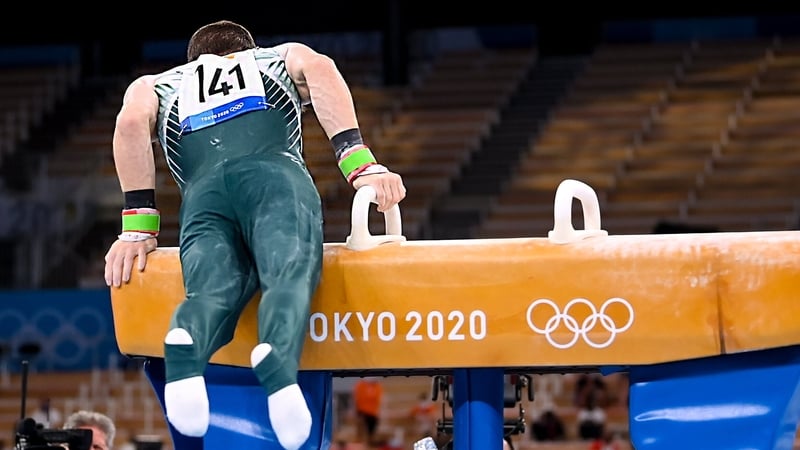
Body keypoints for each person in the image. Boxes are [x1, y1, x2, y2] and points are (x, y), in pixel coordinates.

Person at [102, 19, 406, 450]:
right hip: (273, 176)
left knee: (212, 291)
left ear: (193, 60)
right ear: (246, 48)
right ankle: (278, 362)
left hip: (202, 195)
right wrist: (360, 163)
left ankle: (188, 342)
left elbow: (130, 123)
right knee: (287, 271)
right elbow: (320, 69)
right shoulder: (277, 56)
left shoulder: (154, 84)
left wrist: (138, 228)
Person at [353, 377, 383, 445]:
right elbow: (358, 398)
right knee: (361, 426)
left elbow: (377, 399)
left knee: (372, 427)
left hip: (372, 412)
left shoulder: (377, 386)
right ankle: (360, 440)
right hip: (362, 410)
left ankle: (370, 440)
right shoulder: (361, 385)